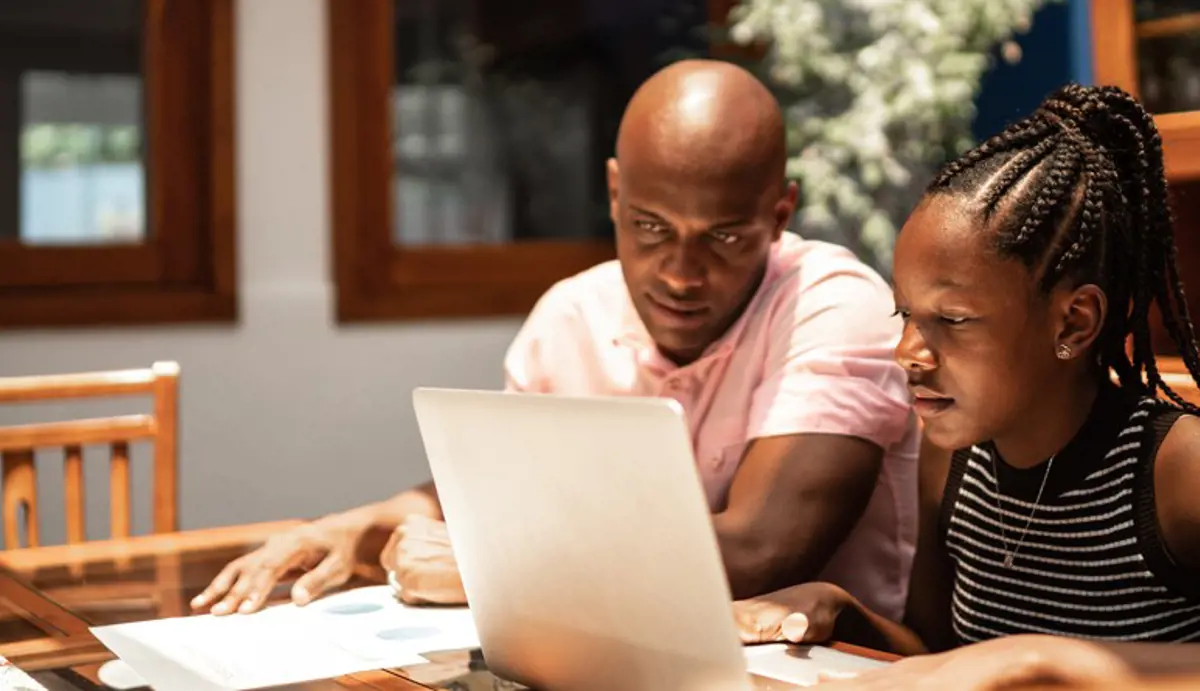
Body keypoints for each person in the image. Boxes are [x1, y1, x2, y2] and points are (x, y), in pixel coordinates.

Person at [191, 59, 919, 619]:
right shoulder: (573, 314)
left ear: (781, 210)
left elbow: (761, 552)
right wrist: (354, 525)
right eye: (649, 227)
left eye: (724, 237)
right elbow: (497, 498)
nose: (681, 273)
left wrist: (487, 567)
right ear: (612, 194)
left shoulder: (835, 305)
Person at [733, 83, 1200, 689]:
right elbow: (937, 653)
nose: (908, 353)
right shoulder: (951, 457)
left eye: (951, 320)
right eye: (907, 316)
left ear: (1074, 322)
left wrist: (1038, 660)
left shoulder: (1176, 471)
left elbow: (994, 665)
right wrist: (841, 609)